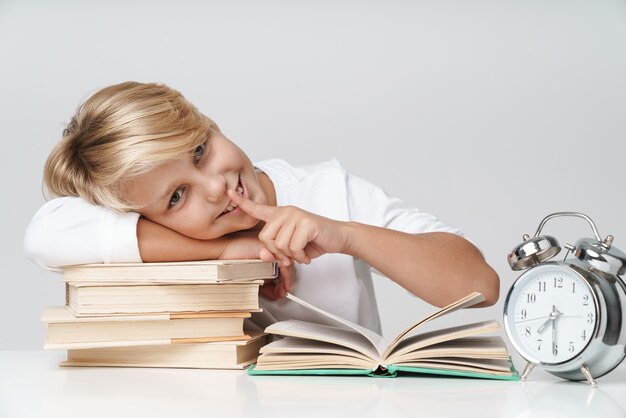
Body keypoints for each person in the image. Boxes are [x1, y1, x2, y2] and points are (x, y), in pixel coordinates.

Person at [24, 81, 499, 334]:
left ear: (211, 124)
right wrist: (231, 251)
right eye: (175, 197)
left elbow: (478, 285)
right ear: (143, 217)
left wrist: (346, 235)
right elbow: (44, 235)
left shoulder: (327, 191)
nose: (214, 187)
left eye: (199, 151)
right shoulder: (154, 232)